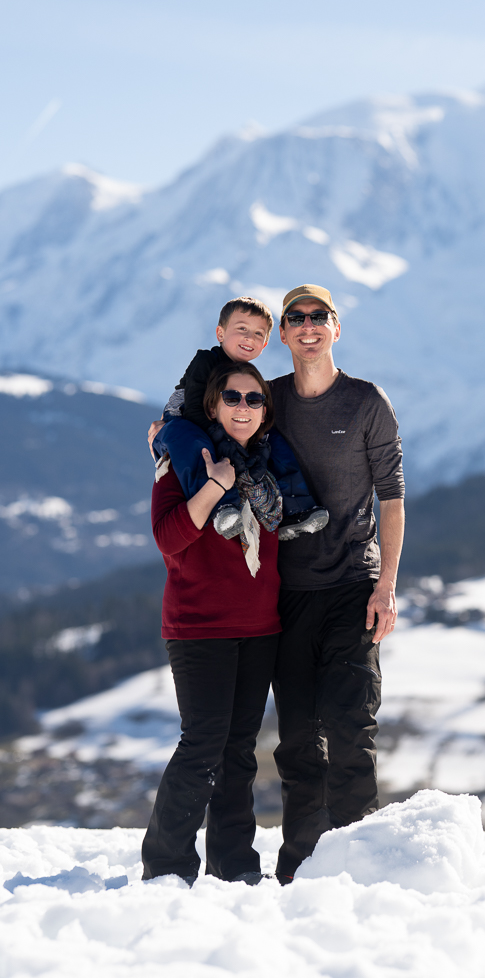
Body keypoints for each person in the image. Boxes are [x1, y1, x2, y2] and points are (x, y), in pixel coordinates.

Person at [269, 284, 405, 884]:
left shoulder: (366, 401)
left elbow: (393, 499)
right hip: (288, 592)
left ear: (336, 327)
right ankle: (298, 867)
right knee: (298, 740)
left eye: (317, 317)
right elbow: (211, 424)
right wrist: (163, 434)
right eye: (295, 319)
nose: (307, 327)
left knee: (351, 729)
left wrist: (387, 587)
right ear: (282, 333)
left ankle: (360, 867)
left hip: (355, 583)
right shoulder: (267, 400)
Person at [142, 361, 282, 886]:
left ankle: (235, 865)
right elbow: (169, 538)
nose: (243, 407)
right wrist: (215, 485)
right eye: (232, 398)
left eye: (254, 399)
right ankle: (167, 866)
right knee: (202, 744)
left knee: (239, 750)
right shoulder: (180, 460)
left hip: (261, 625)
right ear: (213, 405)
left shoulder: (271, 466)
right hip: (199, 626)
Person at [149, 296, 328, 541]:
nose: (249, 338)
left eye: (258, 334)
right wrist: (224, 443)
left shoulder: (248, 376)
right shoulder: (206, 361)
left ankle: (297, 507)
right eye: (242, 329)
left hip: (218, 426)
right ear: (220, 333)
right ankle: (223, 507)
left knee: (273, 439)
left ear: (264, 344)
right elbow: (192, 408)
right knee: (196, 447)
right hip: (184, 421)